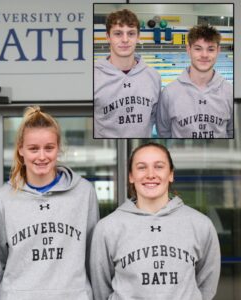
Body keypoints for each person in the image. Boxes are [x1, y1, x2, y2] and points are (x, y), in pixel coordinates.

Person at [0, 106, 99, 299]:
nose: (42, 156)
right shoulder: (1, 201)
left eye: (49, 148)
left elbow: (92, 257)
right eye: (33, 149)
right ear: (21, 150)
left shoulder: (84, 193)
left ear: (58, 148)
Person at [90, 142, 221, 300]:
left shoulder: (200, 225)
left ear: (171, 174)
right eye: (141, 167)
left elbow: (207, 285)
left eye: (159, 166)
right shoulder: (107, 227)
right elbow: (101, 289)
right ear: (131, 176)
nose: (150, 174)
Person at [94, 9, 161, 138]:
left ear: (138, 37)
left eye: (131, 34)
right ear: (108, 37)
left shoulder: (153, 77)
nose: (125, 40)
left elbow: (156, 120)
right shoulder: (94, 77)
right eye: (118, 33)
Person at [157, 24, 233, 138]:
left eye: (210, 49)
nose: (204, 55)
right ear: (188, 50)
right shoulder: (169, 93)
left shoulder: (229, 92)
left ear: (218, 51)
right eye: (198, 49)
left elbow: (232, 131)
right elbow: (164, 132)